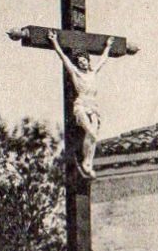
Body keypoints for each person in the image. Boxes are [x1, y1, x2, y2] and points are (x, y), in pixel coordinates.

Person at [48, 32, 117, 179]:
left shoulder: (92, 73)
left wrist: (108, 47)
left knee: (93, 135)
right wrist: (55, 42)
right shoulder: (75, 73)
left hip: (94, 106)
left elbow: (103, 60)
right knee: (91, 133)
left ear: (87, 60)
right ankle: (87, 162)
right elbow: (64, 58)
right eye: (79, 62)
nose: (82, 63)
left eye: (84, 60)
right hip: (81, 105)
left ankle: (88, 163)